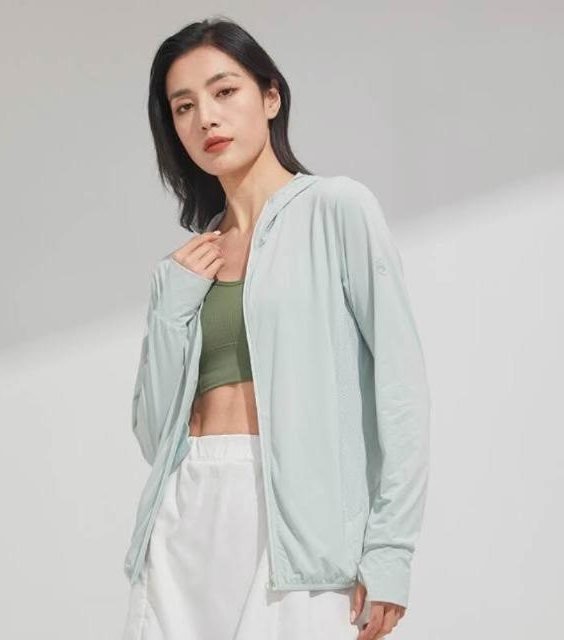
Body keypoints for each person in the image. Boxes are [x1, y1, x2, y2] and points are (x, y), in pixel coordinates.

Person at [122, 16, 430, 640]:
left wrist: (390, 549)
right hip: (186, 517)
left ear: (270, 97)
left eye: (224, 91)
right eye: (184, 106)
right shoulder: (187, 265)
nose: (206, 118)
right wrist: (171, 306)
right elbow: (156, 438)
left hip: (298, 528)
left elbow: (402, 390)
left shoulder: (336, 209)